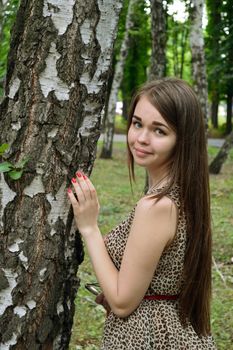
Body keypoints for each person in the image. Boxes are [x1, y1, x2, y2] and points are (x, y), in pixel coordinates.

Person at [67, 77, 216, 349]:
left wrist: (89, 228)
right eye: (137, 124)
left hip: (151, 337)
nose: (141, 138)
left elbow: (123, 303)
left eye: (159, 131)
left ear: (182, 139)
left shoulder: (157, 206)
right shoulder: (183, 193)